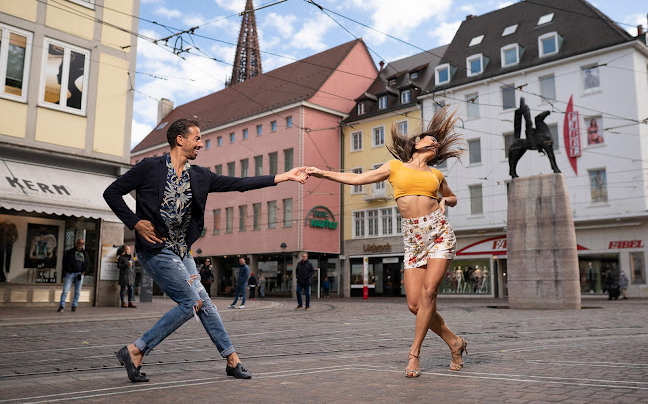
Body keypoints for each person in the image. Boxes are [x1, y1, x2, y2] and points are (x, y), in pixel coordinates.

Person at [103, 118, 307, 383]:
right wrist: (134, 222)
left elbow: (239, 183)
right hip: (155, 250)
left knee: (205, 304)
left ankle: (232, 360)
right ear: (180, 139)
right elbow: (112, 192)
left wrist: (285, 177)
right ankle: (136, 350)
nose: (201, 143)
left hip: (182, 252)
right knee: (191, 303)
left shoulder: (200, 176)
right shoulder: (150, 167)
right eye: (197, 138)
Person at [306, 108, 466, 377]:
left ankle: (414, 354)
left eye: (437, 143)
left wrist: (443, 200)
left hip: (438, 233)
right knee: (415, 305)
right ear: (416, 144)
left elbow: (453, 198)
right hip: (413, 237)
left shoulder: (436, 175)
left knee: (429, 295)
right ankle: (455, 341)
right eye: (430, 139)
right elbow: (357, 178)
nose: (435, 143)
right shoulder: (394, 167)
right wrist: (322, 174)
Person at [57, 239, 89, 312]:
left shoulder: (84, 253)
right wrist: (67, 269)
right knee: (65, 290)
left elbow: (87, 263)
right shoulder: (70, 252)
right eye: (79, 243)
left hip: (79, 274)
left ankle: (74, 305)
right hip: (70, 273)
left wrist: (84, 271)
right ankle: (62, 305)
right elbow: (64, 261)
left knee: (77, 291)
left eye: (82, 243)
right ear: (76, 243)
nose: (80, 244)